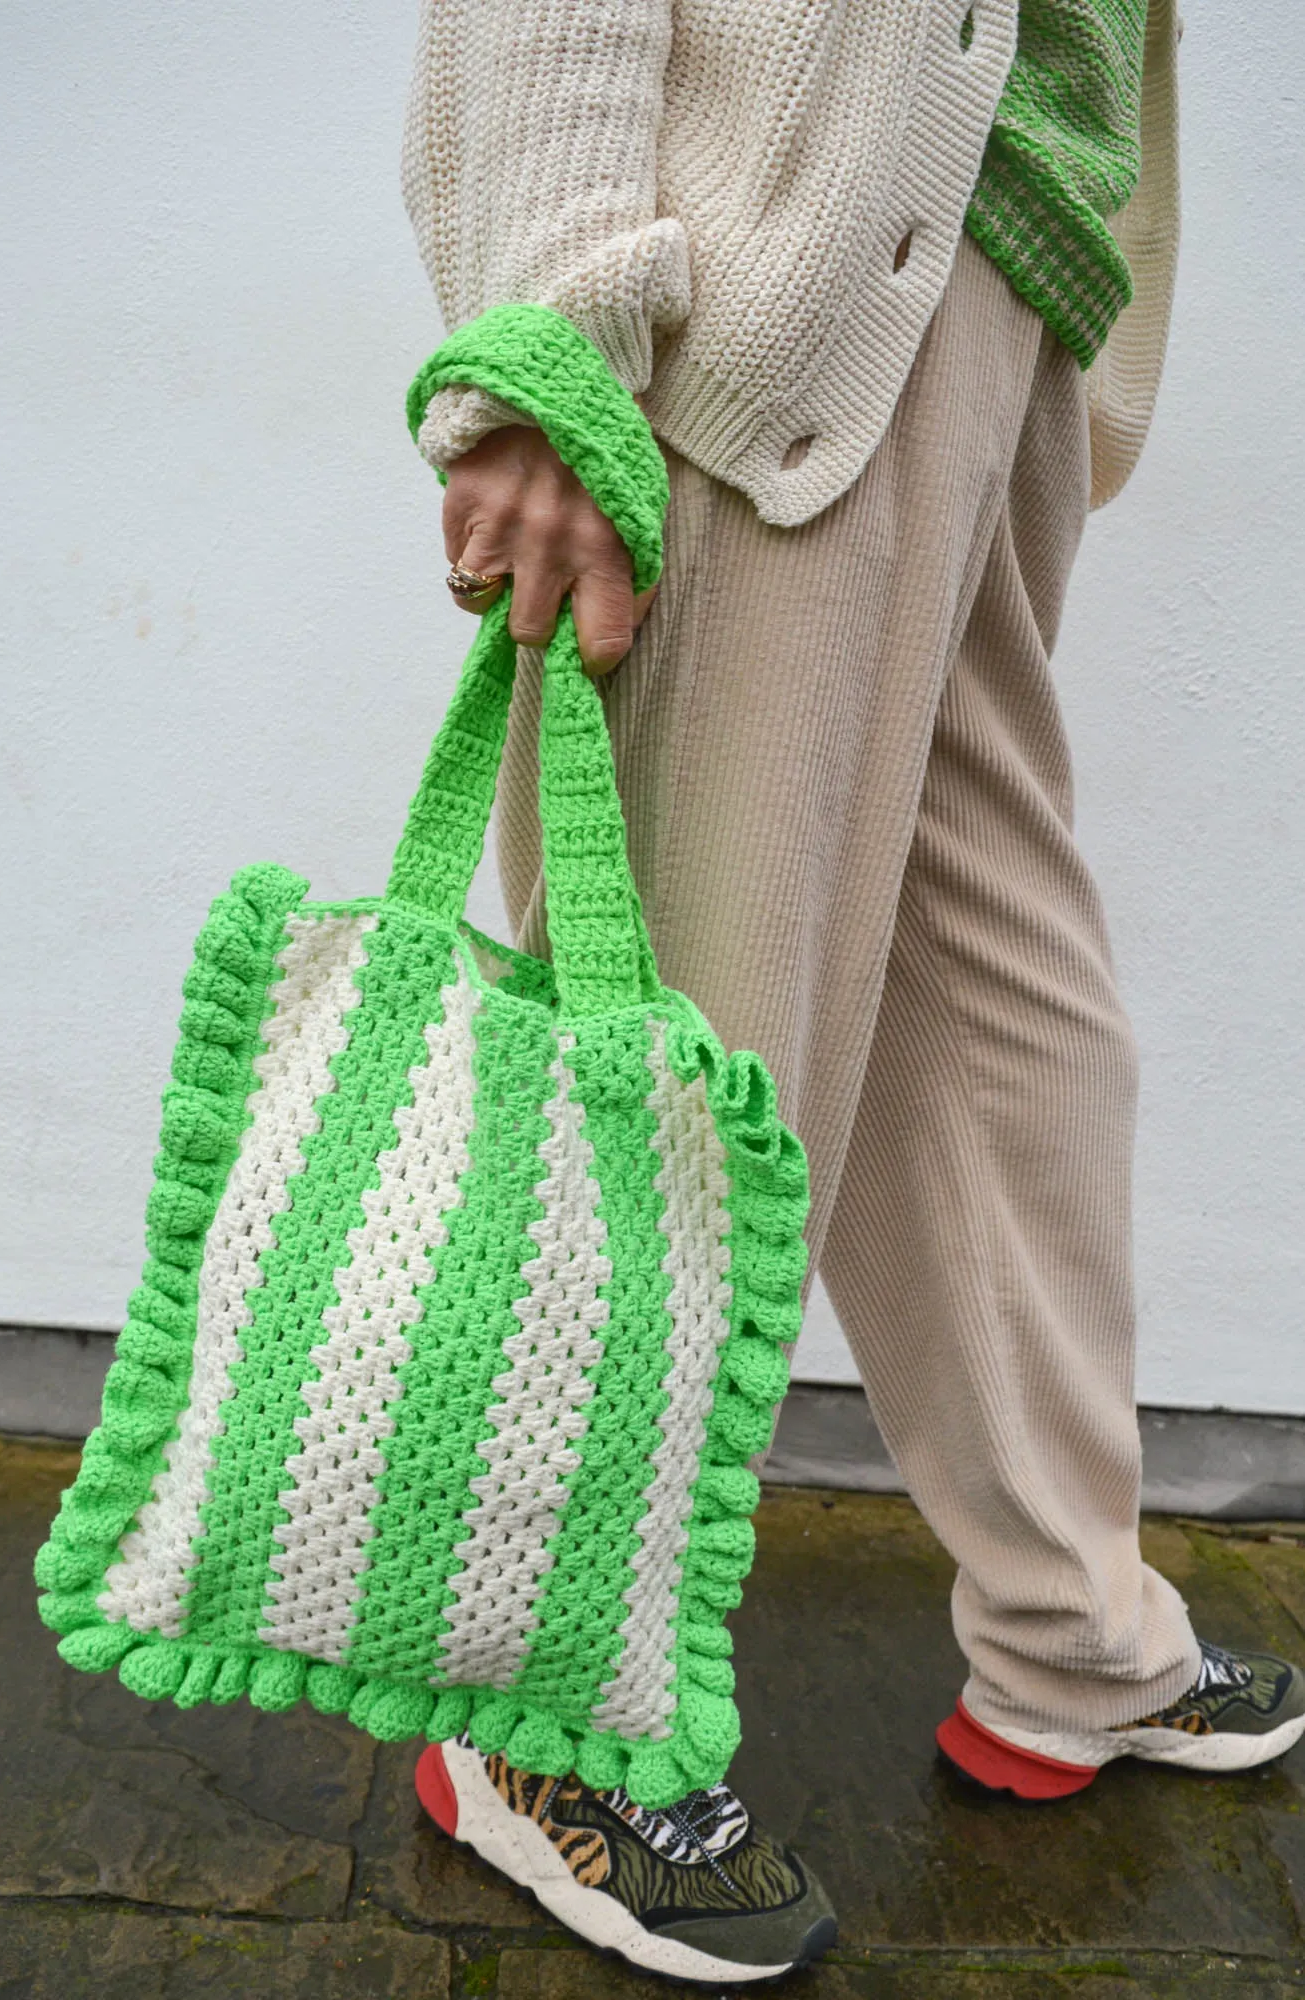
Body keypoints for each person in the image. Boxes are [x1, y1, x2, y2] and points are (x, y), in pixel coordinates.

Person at [401, 0, 1305, 1983]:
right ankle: (544, 1716)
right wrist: (556, 329)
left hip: (981, 300)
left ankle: (1069, 1634)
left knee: (1007, 1038)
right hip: (758, 302)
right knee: (693, 1058)